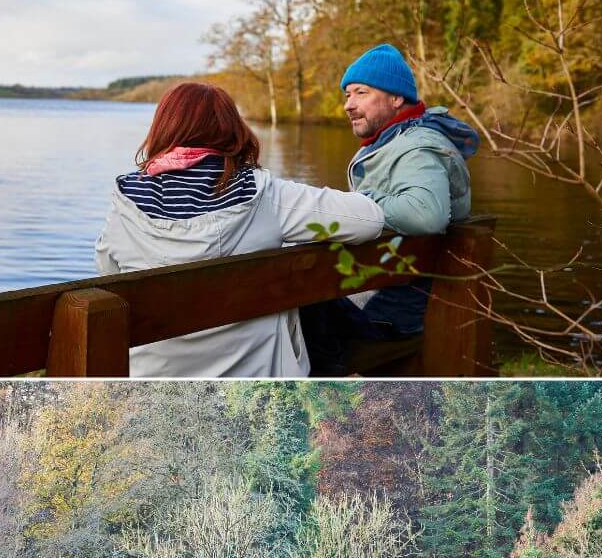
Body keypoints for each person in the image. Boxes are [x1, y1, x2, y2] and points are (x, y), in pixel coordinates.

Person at [95, 81, 388, 377]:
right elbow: (370, 219)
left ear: (163, 128)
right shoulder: (266, 194)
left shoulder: (125, 203)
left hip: (152, 384)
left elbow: (108, 275)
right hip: (257, 386)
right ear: (231, 130)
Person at [301, 43, 480, 374]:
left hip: (392, 312)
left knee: (291, 299)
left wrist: (355, 204)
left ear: (396, 99)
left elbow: (426, 214)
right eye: (347, 95)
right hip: (387, 294)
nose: (348, 105)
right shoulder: (395, 142)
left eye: (361, 93)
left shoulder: (415, 147)